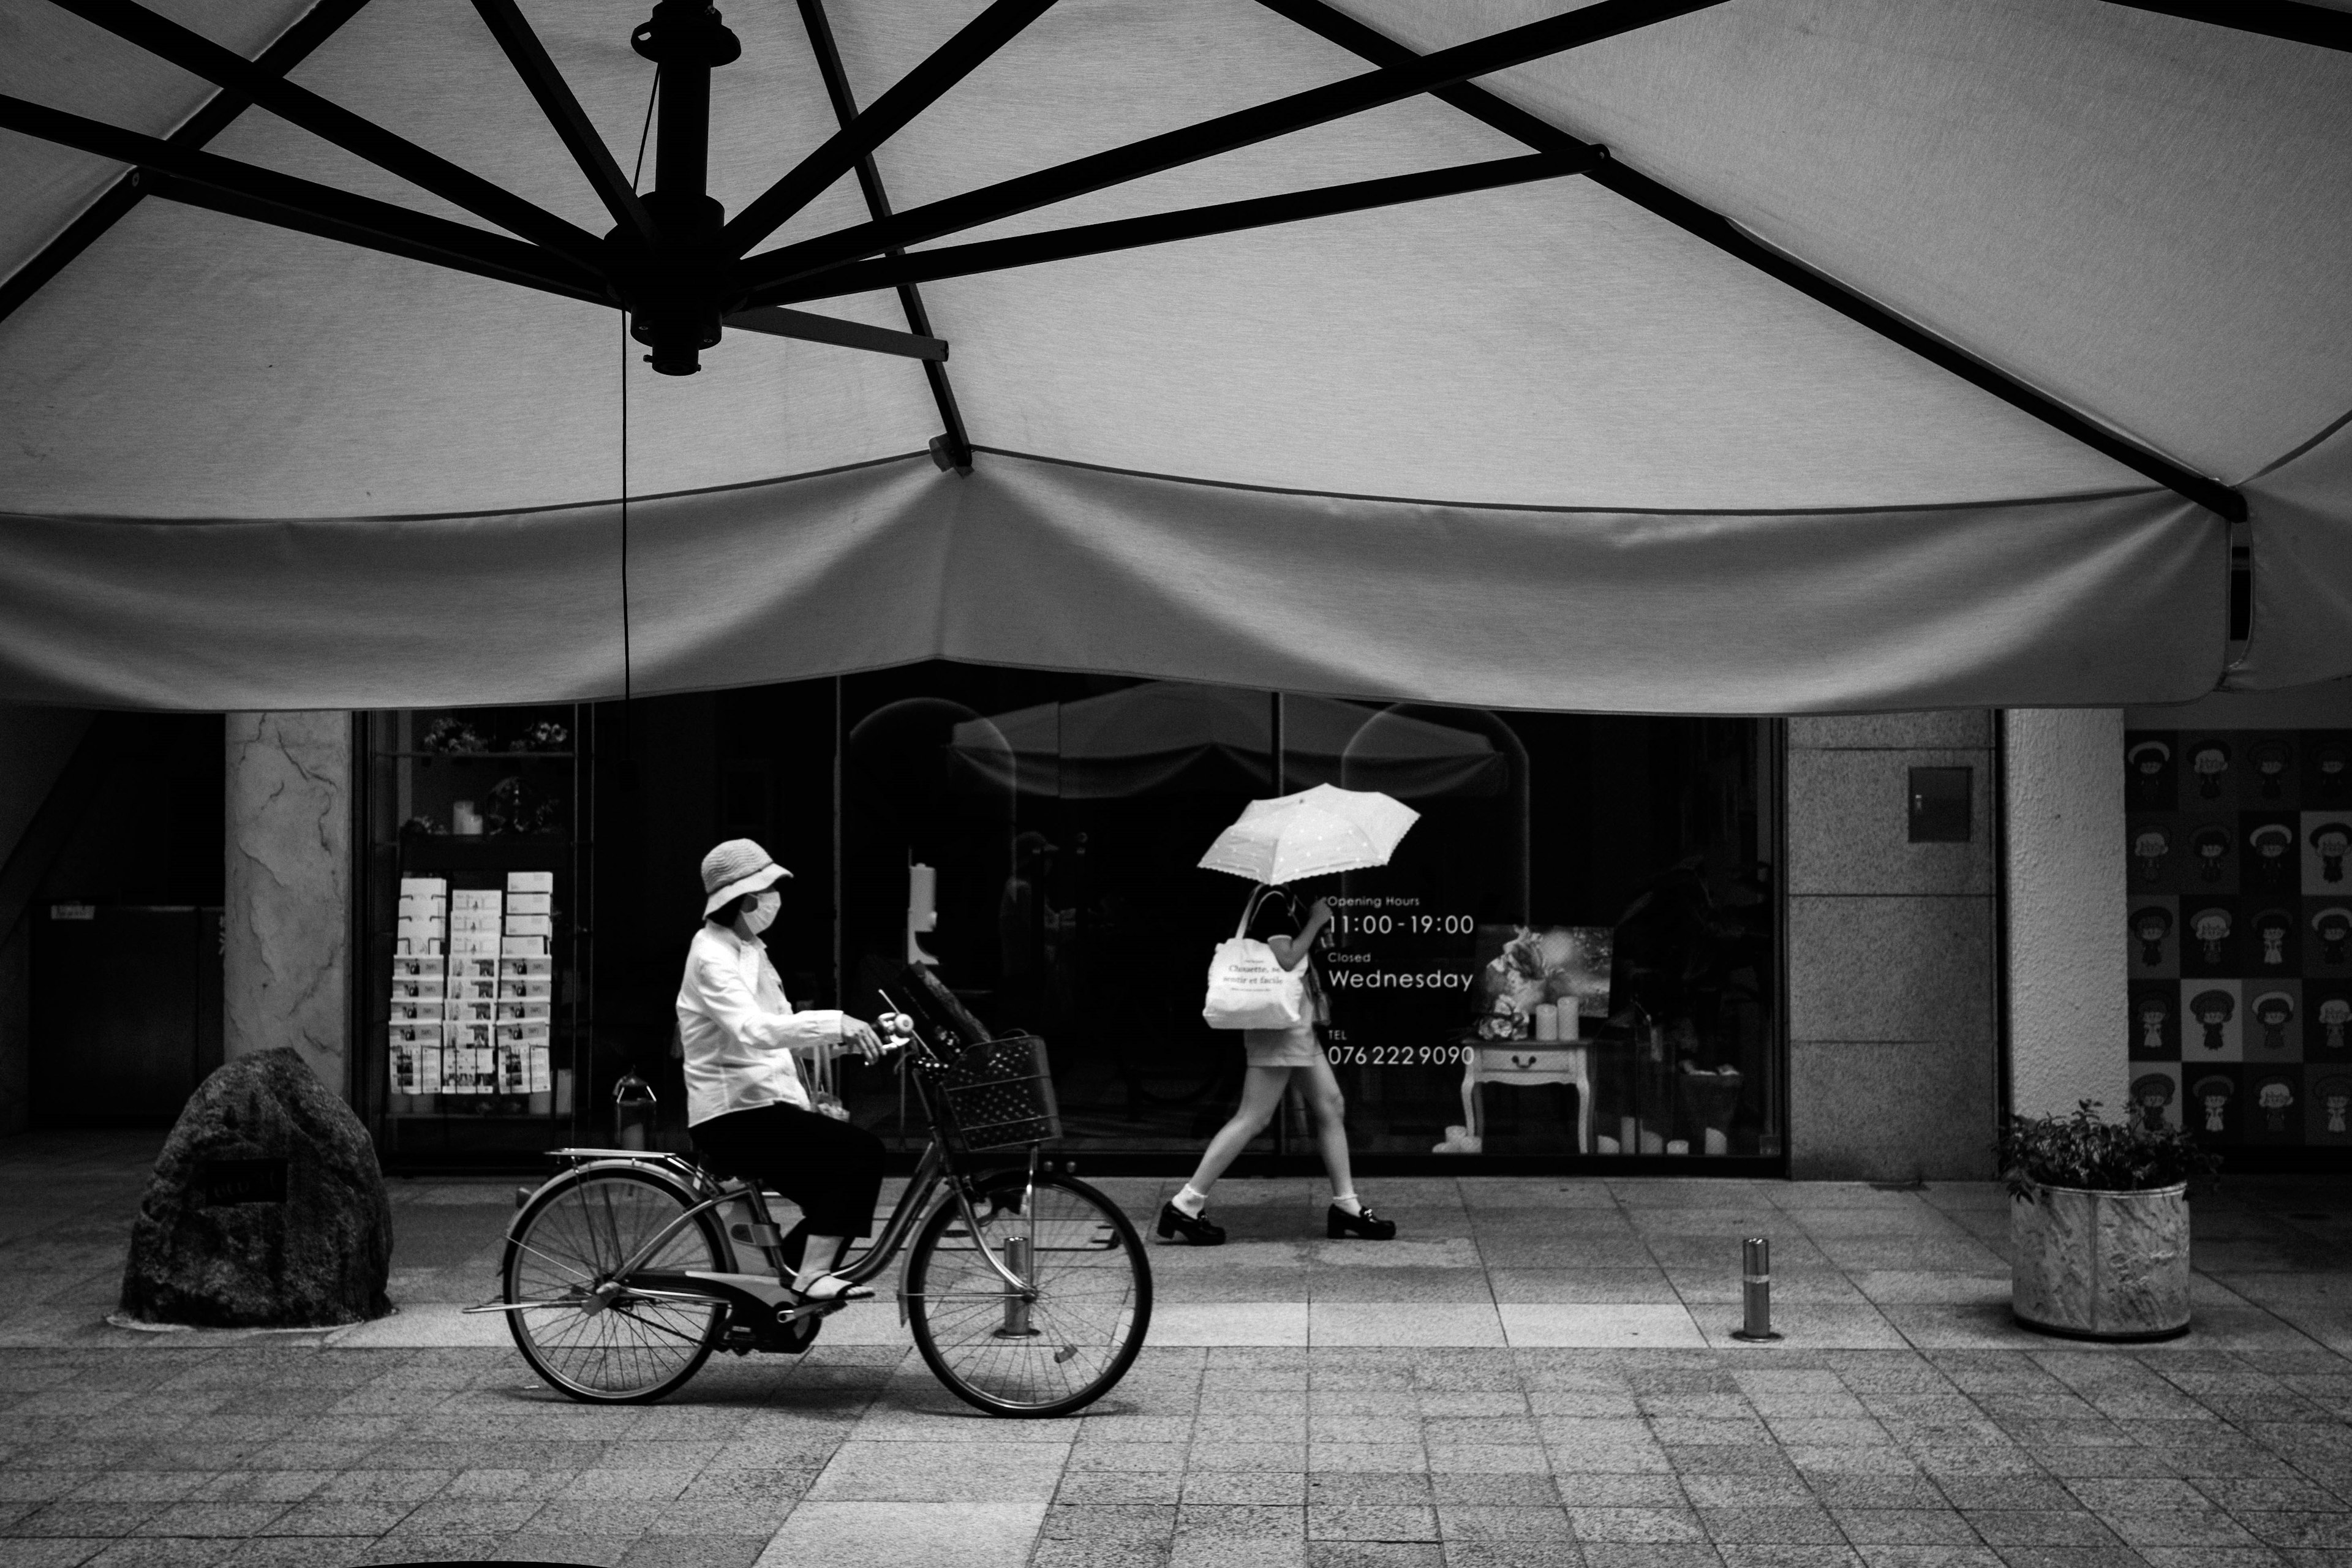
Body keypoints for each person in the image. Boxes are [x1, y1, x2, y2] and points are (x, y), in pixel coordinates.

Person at [677, 838, 888, 1301]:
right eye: (768, 890)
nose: (774, 900)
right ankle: (808, 1279)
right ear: (744, 898)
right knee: (861, 1155)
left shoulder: (749, 948)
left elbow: (784, 1032)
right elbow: (755, 1030)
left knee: (839, 1196)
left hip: (765, 1105)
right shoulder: (712, 956)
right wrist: (836, 1022)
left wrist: (858, 1035)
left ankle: (772, 1302)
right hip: (732, 1114)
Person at [1160, 881, 1396, 1245]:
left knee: (1331, 1105)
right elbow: (1287, 958)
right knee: (1254, 1117)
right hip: (1280, 1025)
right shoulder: (1273, 901)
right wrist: (1317, 921)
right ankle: (1186, 1203)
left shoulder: (1284, 899)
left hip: (1295, 1024)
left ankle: (1347, 1206)